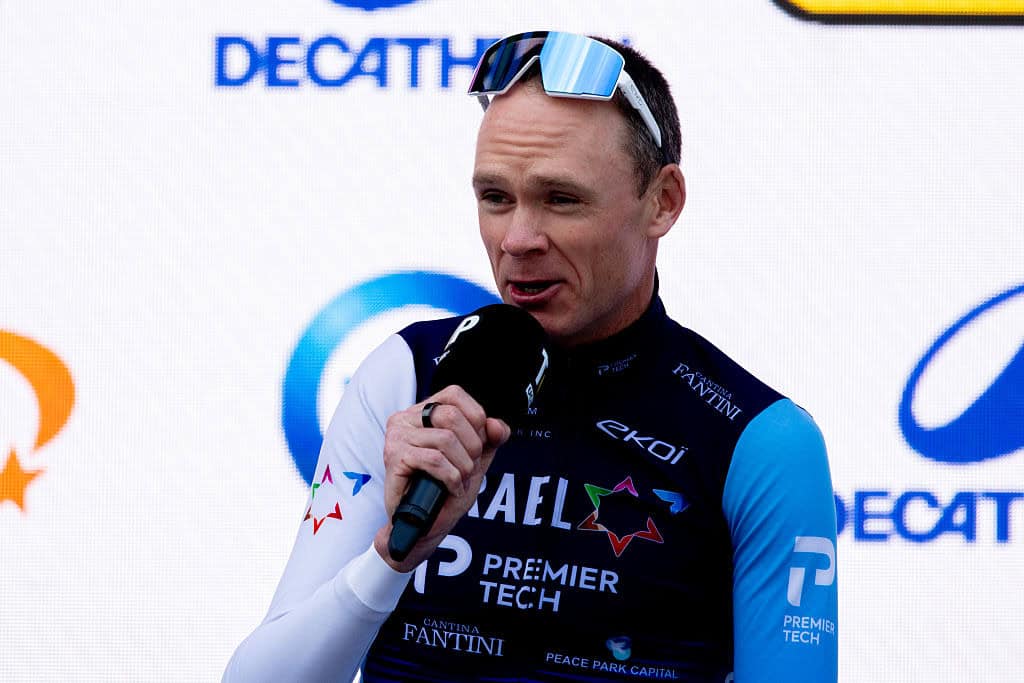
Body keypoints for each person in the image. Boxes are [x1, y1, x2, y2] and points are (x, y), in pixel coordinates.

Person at [223, 30, 838, 683]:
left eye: (561, 199)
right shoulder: (406, 376)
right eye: (496, 197)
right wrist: (392, 558)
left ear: (662, 202)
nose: (517, 239)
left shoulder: (760, 440)